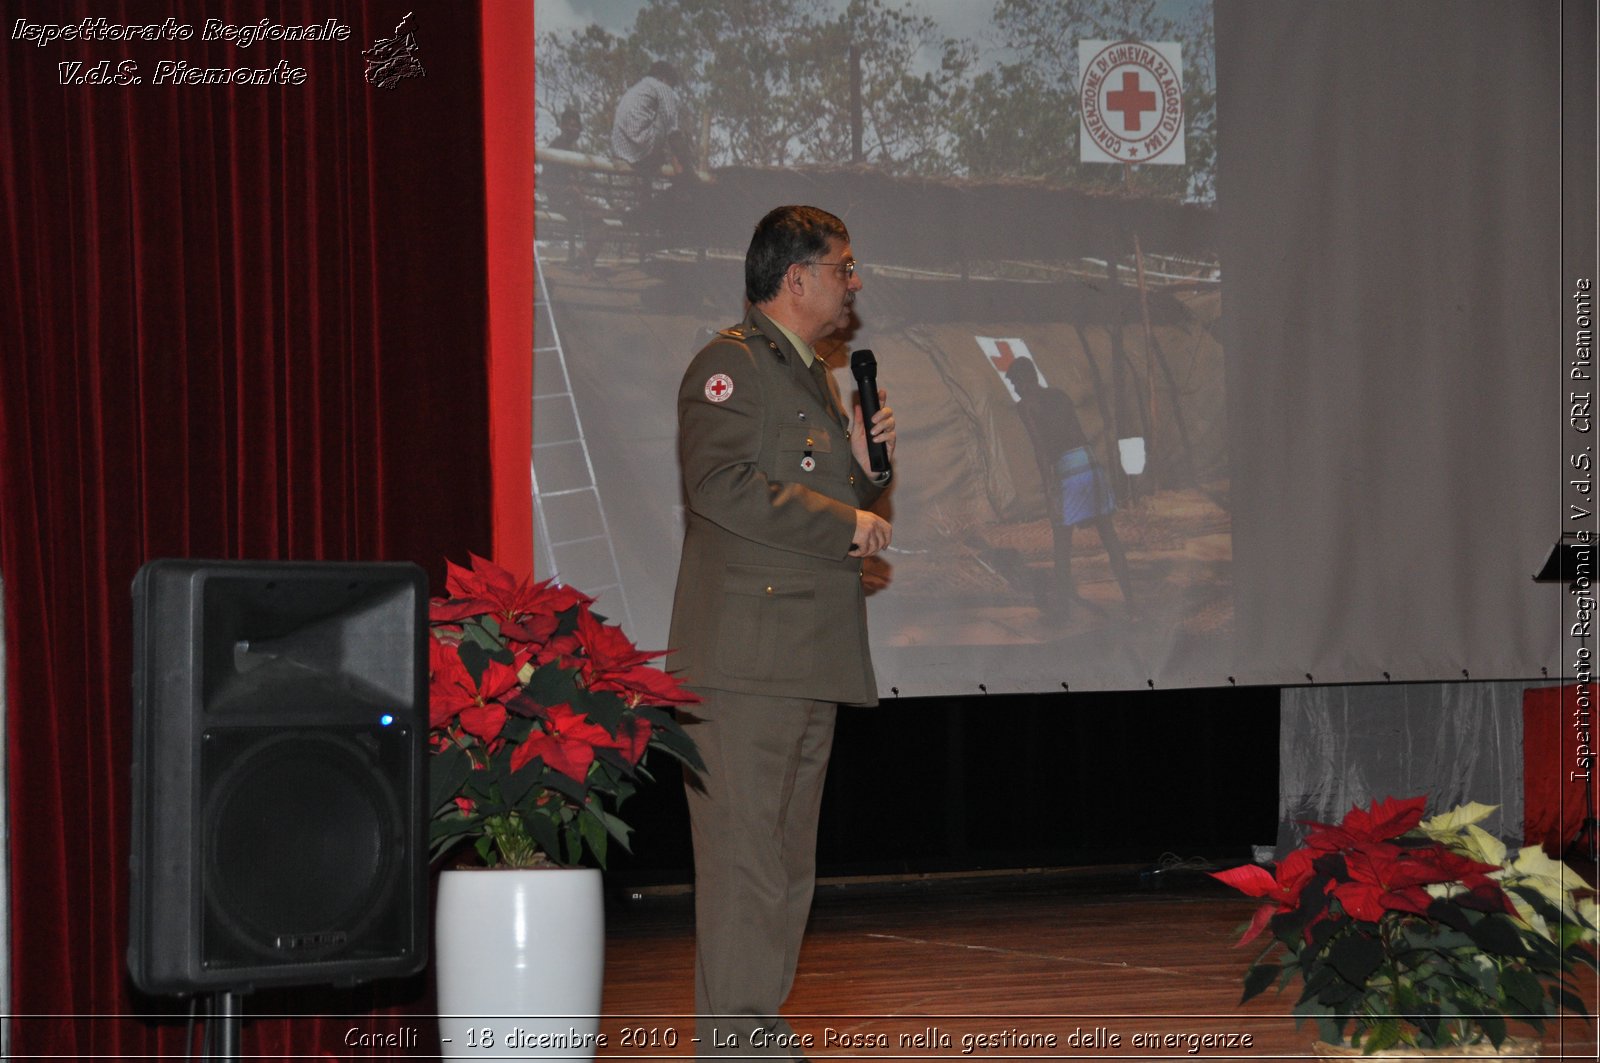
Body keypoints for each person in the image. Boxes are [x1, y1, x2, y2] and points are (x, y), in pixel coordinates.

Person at [667, 205, 895, 1058]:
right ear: (794, 279)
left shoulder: (813, 377)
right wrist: (843, 517)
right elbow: (720, 486)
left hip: (803, 656)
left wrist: (871, 477)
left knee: (784, 870)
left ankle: (754, 1031)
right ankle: (738, 1046)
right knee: (744, 867)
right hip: (746, 663)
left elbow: (835, 504)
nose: (854, 281)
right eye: (843, 266)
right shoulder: (729, 368)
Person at [1004, 358, 1134, 618]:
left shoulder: (1026, 406)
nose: (1015, 389)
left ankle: (1062, 609)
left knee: (1062, 541)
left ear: (1025, 379)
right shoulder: (1060, 395)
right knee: (1109, 535)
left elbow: (1040, 450)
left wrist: (1050, 490)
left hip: (1069, 470)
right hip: (1091, 464)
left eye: (1015, 383)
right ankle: (1132, 602)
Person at [611, 60, 698, 178]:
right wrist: (689, 169)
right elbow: (673, 134)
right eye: (672, 86)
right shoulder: (662, 87)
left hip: (620, 151)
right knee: (671, 126)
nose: (671, 90)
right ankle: (681, 171)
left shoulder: (636, 89)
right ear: (664, 78)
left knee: (655, 118)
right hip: (640, 152)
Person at [545, 106, 604, 273]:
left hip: (572, 202)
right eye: (570, 125)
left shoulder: (571, 150)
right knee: (600, 221)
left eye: (577, 126)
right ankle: (584, 262)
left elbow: (576, 180)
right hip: (561, 202)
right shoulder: (556, 147)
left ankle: (583, 260)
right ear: (562, 126)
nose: (574, 129)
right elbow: (550, 181)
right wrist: (570, 191)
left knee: (601, 221)